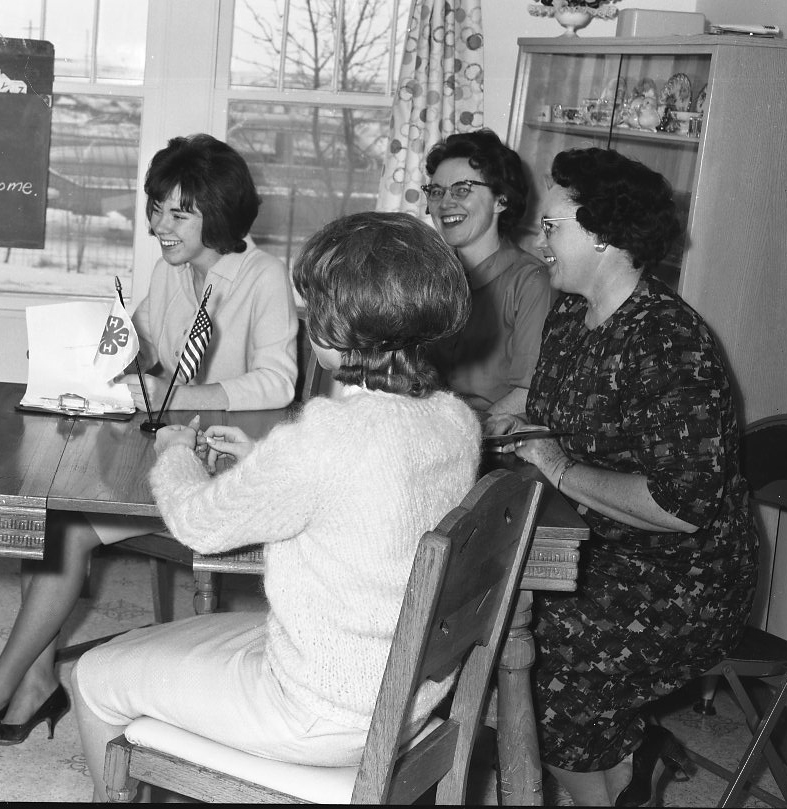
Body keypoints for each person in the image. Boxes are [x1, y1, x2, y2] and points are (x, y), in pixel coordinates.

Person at [68, 211, 479, 799]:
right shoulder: (455, 421)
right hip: (409, 693)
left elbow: (197, 525)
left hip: (319, 711)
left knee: (93, 675)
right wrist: (268, 455)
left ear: (335, 328)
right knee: (188, 643)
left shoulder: (324, 438)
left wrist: (176, 451)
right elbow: (372, 488)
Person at [0, 134, 298, 746]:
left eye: (178, 213)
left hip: (223, 469)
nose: (158, 226)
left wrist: (176, 394)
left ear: (217, 215)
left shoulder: (263, 276)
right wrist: (89, 350)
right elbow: (136, 344)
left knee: (64, 528)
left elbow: (279, 382)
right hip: (167, 447)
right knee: (49, 507)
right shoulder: (172, 271)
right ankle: (35, 685)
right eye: (155, 208)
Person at [487, 147, 756, 807]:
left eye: (551, 228)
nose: (538, 241)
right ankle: (622, 764)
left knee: (541, 655)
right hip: (589, 538)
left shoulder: (670, 344)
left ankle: (611, 786)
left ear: (603, 236)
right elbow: (549, 410)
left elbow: (681, 506)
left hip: (683, 575)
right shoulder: (570, 315)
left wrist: (555, 462)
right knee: (492, 615)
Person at [422, 129, 554, 416]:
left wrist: (469, 435)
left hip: (491, 446)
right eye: (436, 191)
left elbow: (528, 394)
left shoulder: (530, 282)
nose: (445, 203)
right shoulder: (429, 278)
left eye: (462, 190)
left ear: (501, 200)